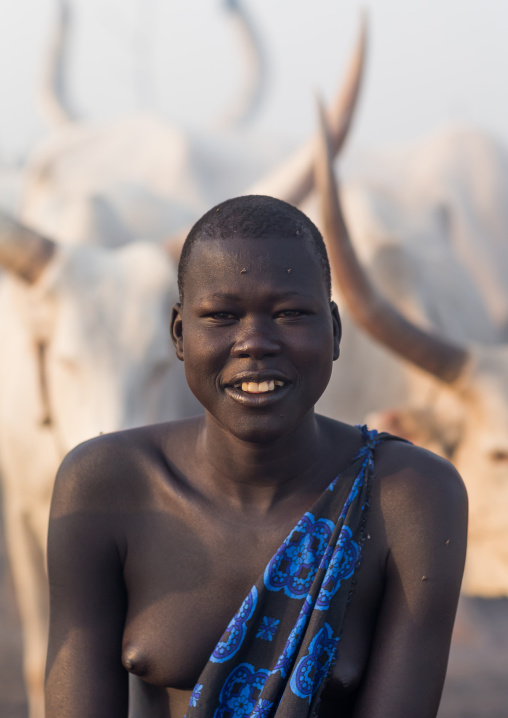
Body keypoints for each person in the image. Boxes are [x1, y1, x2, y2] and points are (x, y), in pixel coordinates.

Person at [45, 194, 468, 718]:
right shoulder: (106, 485)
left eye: (290, 313)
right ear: (180, 334)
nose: (255, 343)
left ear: (334, 332)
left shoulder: (411, 496)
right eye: (221, 316)